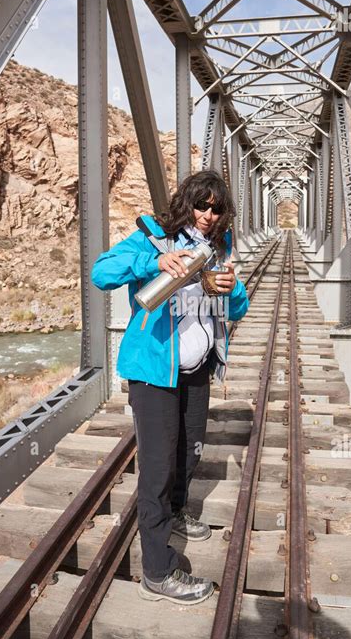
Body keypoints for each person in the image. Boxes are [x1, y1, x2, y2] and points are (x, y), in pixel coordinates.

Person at [91, 169, 249, 604]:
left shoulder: (221, 246)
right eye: (201, 205)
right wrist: (152, 262)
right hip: (153, 372)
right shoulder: (153, 237)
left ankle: (178, 513)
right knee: (157, 469)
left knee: (191, 447)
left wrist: (232, 289)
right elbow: (100, 273)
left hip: (196, 369)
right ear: (187, 203)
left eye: (216, 209)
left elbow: (240, 306)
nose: (208, 216)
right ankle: (158, 572)